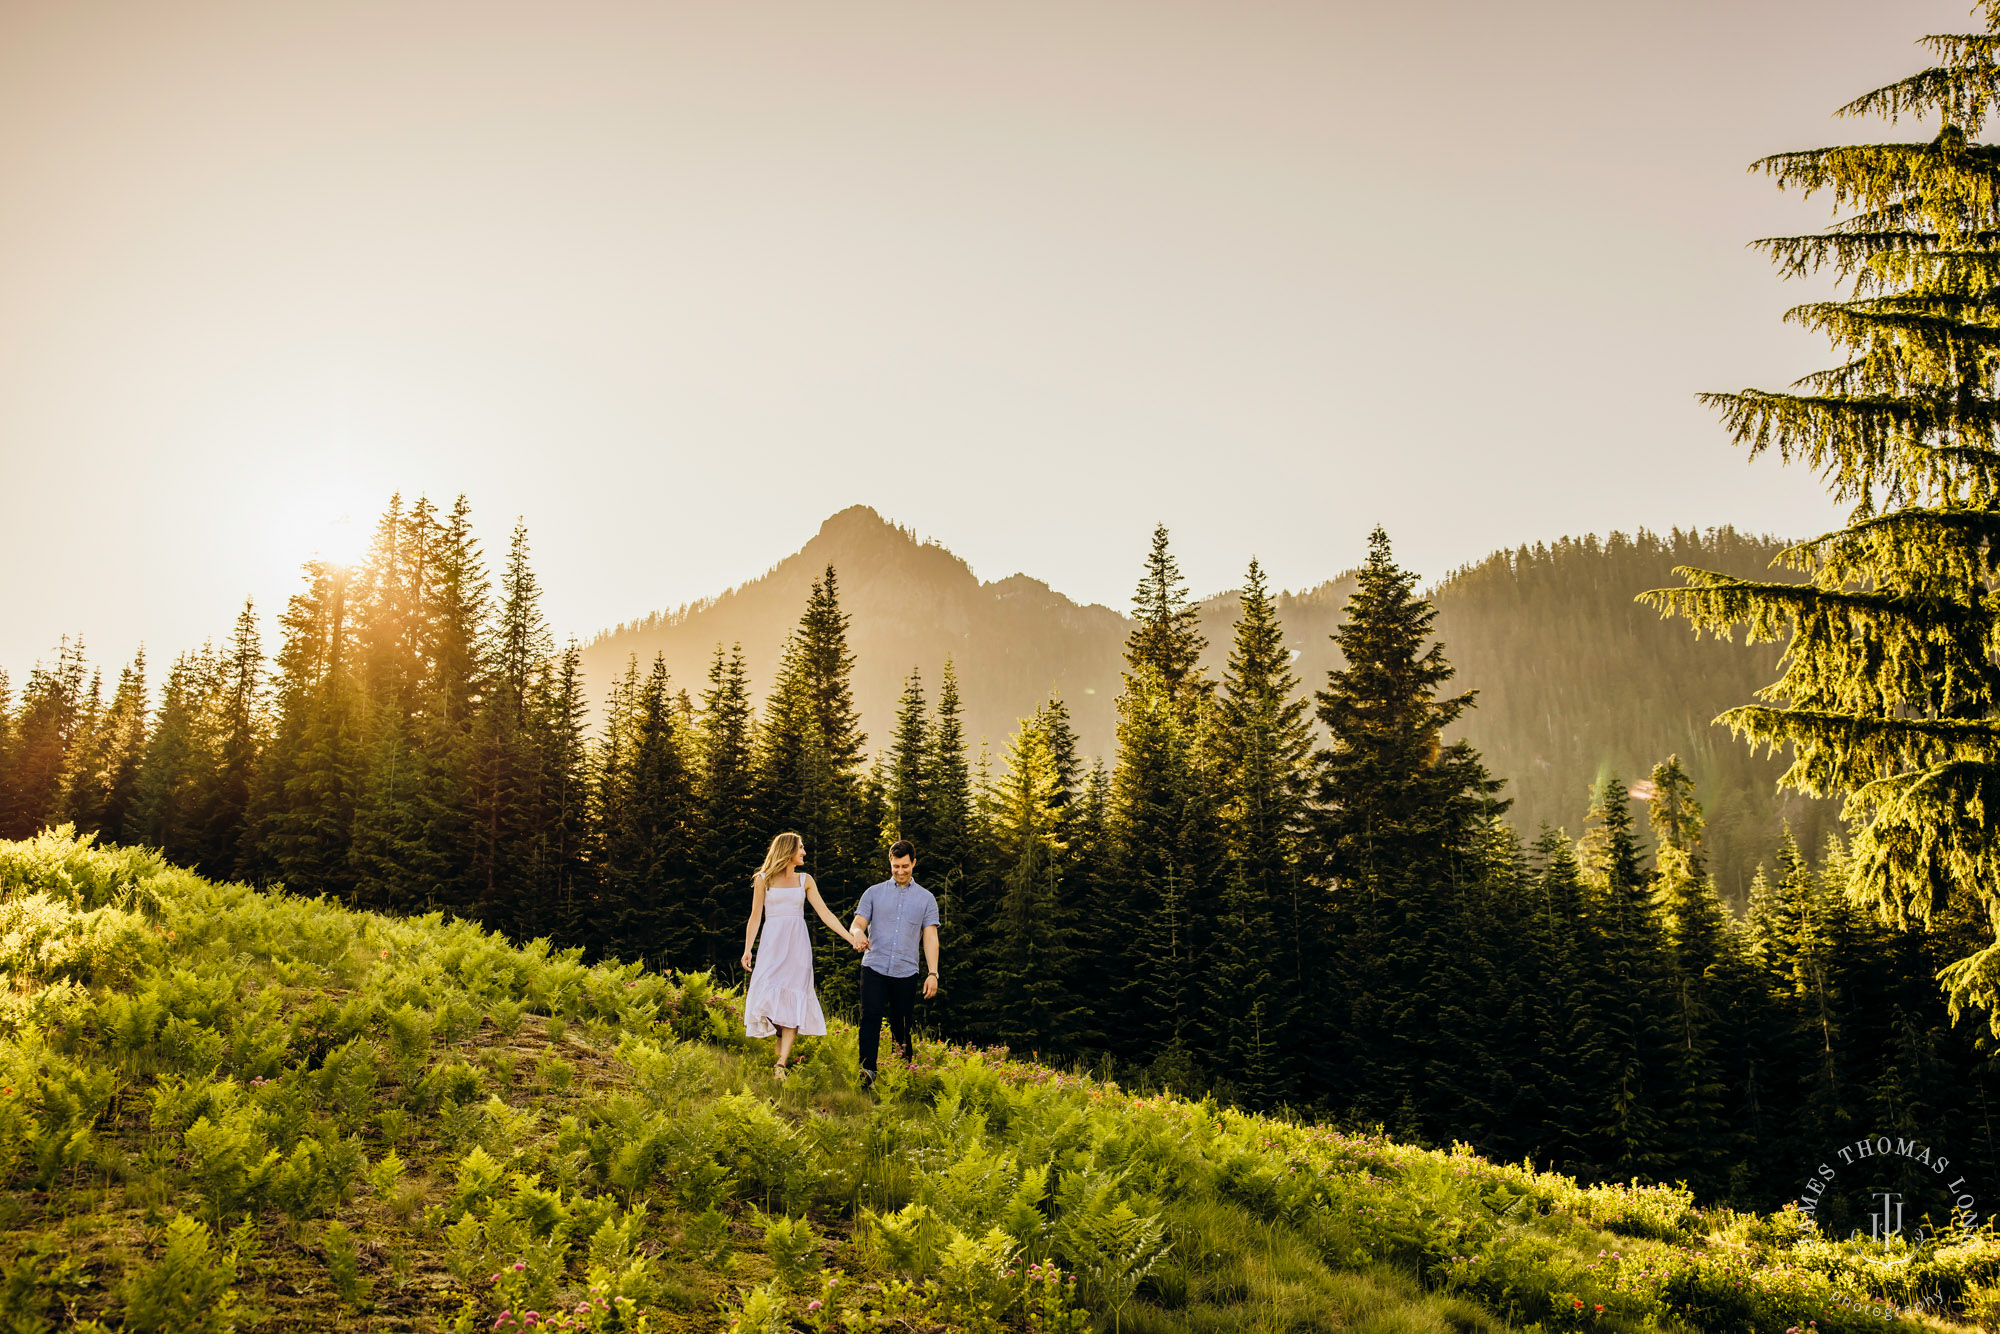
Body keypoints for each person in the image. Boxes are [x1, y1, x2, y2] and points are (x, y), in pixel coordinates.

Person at [741, 831, 862, 1080]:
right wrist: (747, 949)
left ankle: (781, 1064)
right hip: (771, 944)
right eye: (801, 848)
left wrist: (851, 938)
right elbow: (755, 917)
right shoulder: (764, 879)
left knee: (795, 996)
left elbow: (825, 914)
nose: (804, 852)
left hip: (797, 945)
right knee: (766, 992)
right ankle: (779, 1031)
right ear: (788, 850)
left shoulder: (805, 880)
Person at [847, 839, 939, 1087]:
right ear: (890, 863)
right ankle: (867, 1072)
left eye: (905, 866)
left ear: (914, 863)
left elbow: (930, 937)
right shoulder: (873, 893)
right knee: (871, 1017)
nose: (900, 871)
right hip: (874, 965)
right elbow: (858, 923)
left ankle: (905, 1073)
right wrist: (857, 933)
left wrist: (933, 973)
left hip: (905, 971)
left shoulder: (926, 899)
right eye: (896, 866)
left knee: (902, 1024)